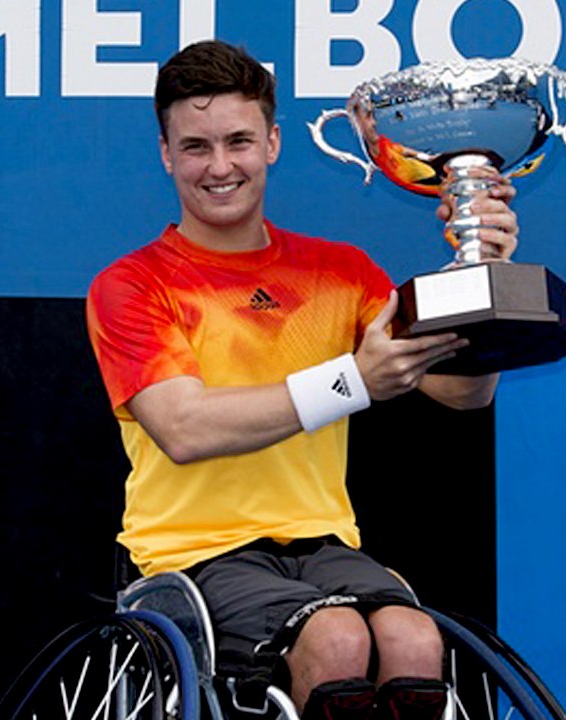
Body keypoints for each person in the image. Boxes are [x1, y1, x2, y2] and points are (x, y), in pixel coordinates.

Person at [85, 40, 519, 720]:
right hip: (195, 555)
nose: (220, 166)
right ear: (167, 155)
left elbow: (463, 392)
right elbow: (184, 428)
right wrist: (352, 381)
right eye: (196, 146)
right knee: (338, 636)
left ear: (274, 142)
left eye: (239, 141)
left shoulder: (340, 271)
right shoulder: (131, 285)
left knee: (413, 634)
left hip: (324, 546)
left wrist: (480, 280)